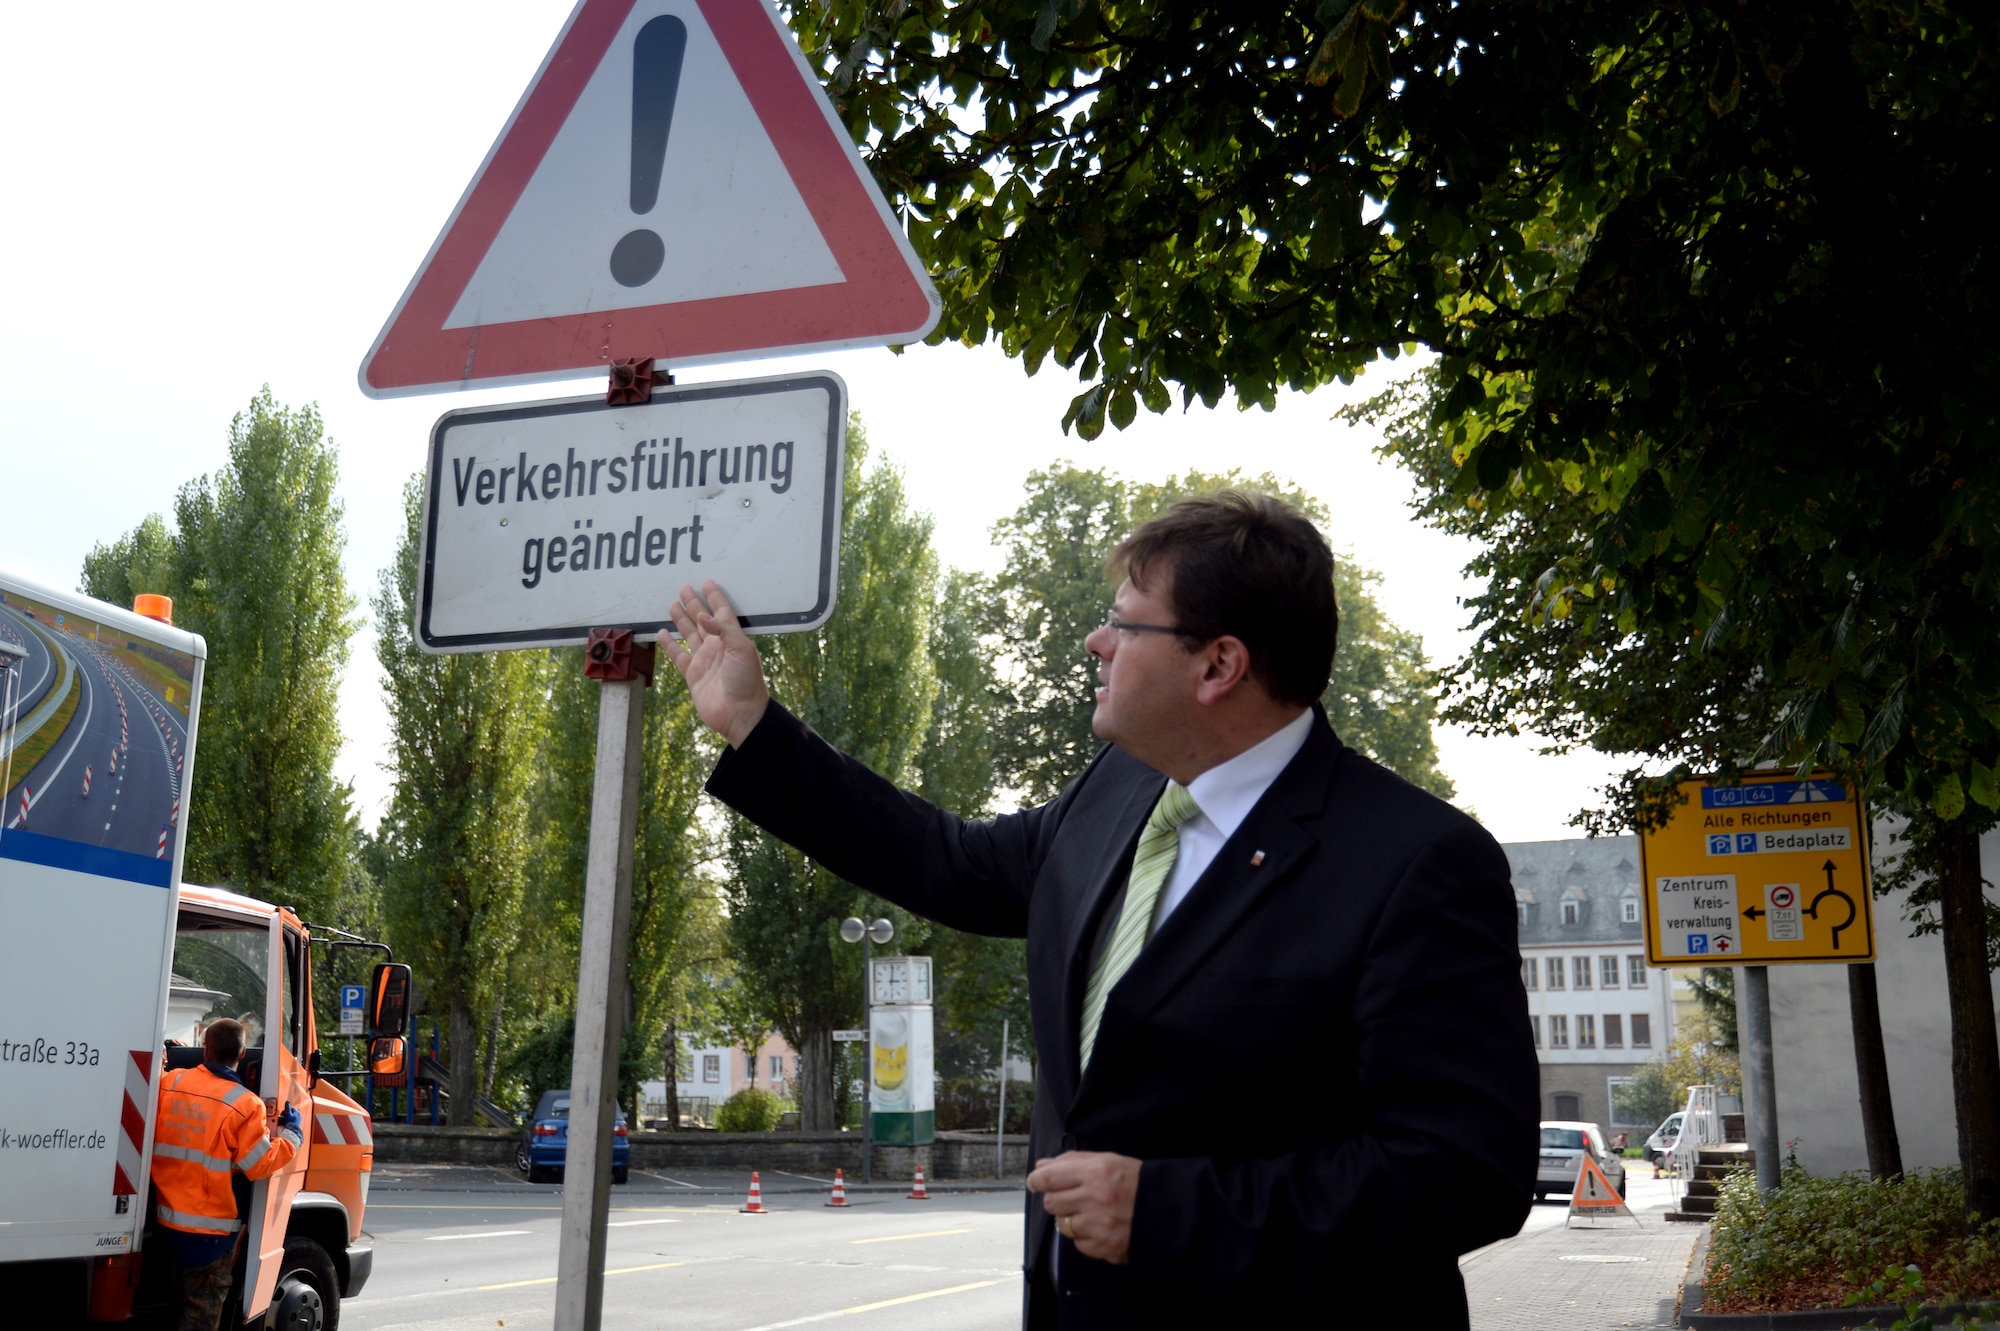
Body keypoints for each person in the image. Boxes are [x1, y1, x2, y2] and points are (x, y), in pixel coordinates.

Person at [664, 492, 1539, 1330]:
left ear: (1219, 664)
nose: (1095, 641)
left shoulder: (1417, 862)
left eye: (1124, 624)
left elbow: (1462, 1172)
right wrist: (754, 722)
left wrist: (1166, 1209)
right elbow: (947, 861)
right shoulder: (1119, 791)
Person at [153, 1018, 303, 1331]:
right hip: (209, 1239)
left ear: (205, 1049)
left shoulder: (172, 1083)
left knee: (173, 1309)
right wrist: (292, 1134)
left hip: (166, 1225)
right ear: (243, 1052)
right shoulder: (245, 1104)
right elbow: (259, 1165)